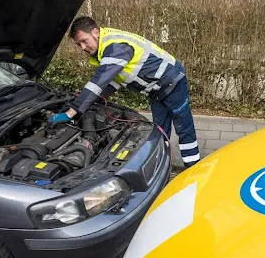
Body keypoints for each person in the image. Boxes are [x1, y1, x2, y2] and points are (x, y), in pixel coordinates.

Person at [48, 16, 201, 168]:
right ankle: (163, 167)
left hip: (174, 83)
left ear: (95, 32)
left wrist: (71, 112)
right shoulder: (106, 49)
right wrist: (92, 100)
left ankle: (193, 168)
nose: (82, 47)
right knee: (160, 132)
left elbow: (99, 81)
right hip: (156, 91)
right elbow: (113, 81)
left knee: (184, 128)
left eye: (84, 41)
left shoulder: (115, 47)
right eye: (78, 44)